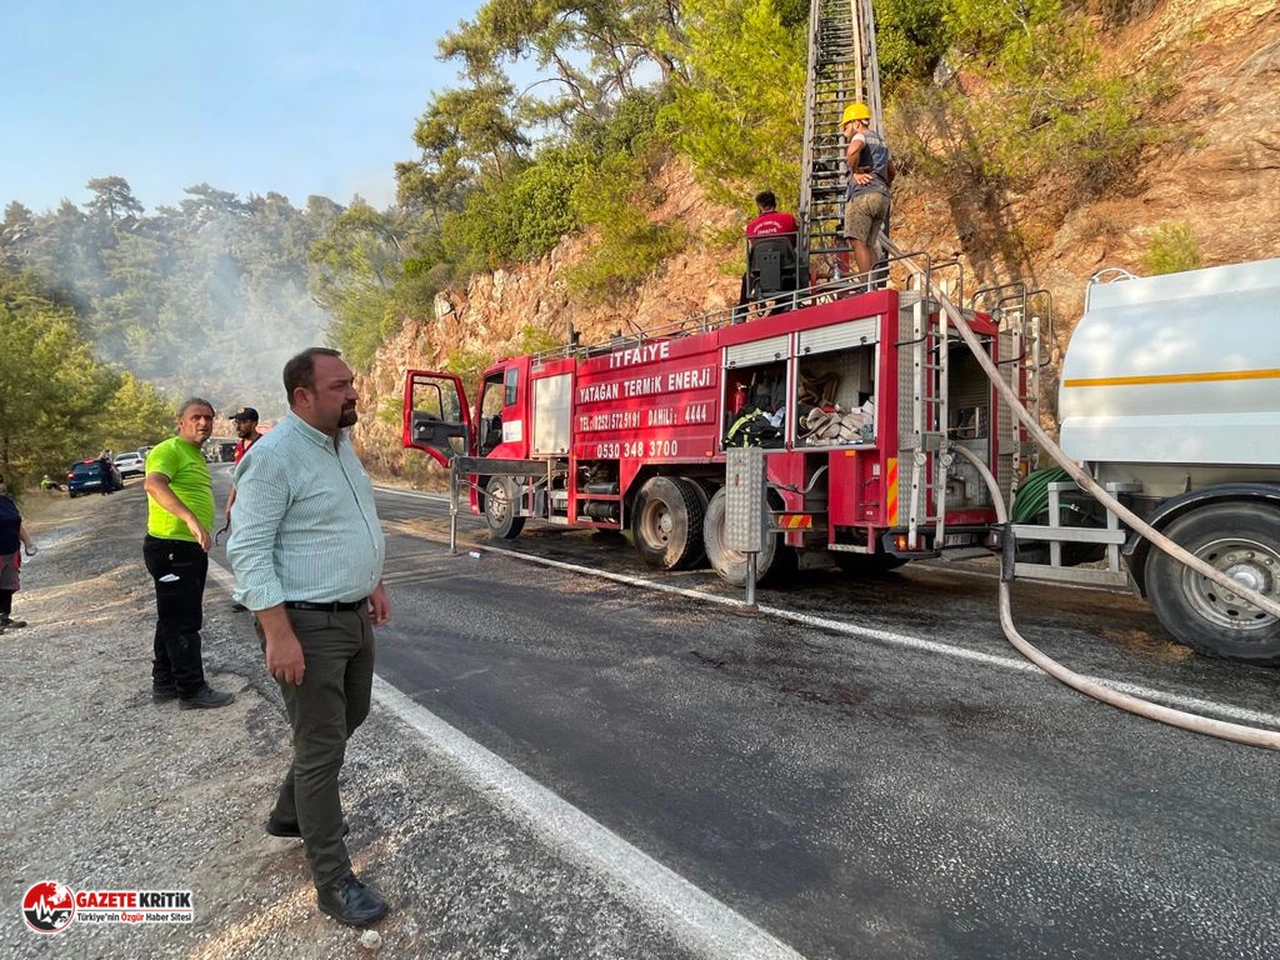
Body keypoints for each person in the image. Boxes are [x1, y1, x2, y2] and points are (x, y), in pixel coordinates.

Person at [227, 347, 390, 928]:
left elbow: (350, 521)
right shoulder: (274, 458)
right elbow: (246, 549)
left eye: (352, 382)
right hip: (305, 624)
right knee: (321, 748)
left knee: (353, 715)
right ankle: (333, 883)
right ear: (303, 396)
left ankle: (289, 813)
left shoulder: (340, 446)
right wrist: (278, 632)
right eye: (340, 385)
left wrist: (374, 579)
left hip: (350, 615)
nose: (353, 393)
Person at [143, 398, 235, 710]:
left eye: (208, 418)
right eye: (196, 417)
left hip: (186, 548)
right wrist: (191, 519)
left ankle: (166, 683)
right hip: (172, 547)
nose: (203, 423)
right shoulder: (168, 450)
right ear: (180, 422)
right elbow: (153, 484)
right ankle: (191, 690)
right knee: (184, 621)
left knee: (171, 617)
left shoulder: (193, 454)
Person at [841, 102, 896, 287]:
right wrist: (883, 183)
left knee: (857, 241)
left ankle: (866, 288)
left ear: (856, 123)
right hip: (882, 197)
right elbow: (891, 169)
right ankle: (876, 287)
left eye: (846, 126)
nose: (844, 131)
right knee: (869, 243)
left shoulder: (860, 136)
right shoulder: (881, 141)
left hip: (863, 196)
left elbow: (852, 150)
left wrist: (855, 172)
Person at [221, 406, 264, 612]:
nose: (237, 425)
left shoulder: (264, 445)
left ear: (254, 423)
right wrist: (231, 502)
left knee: (259, 550)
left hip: (261, 505)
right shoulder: (240, 447)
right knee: (243, 551)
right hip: (243, 506)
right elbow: (238, 478)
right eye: (236, 421)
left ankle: (261, 594)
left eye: (242, 421)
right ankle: (248, 593)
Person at [736, 190, 800, 320]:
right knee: (797, 267)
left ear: (759, 207)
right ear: (775, 204)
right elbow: (794, 241)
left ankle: (742, 311)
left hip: (760, 270)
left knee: (746, 276)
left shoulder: (751, 227)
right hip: (787, 267)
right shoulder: (788, 219)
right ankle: (785, 303)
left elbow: (754, 247)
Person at [0, 473, 37, 633]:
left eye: (1, 481)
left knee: (8, 585)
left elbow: (18, 524)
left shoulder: (7, 502)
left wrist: (28, 543)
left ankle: (4, 617)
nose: (1, 485)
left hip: (11, 550)